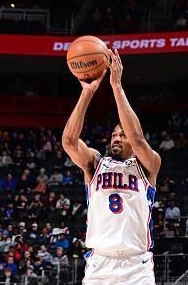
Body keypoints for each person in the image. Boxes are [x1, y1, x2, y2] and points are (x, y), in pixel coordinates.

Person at [62, 49, 161, 284]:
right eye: (114, 135)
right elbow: (69, 142)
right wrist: (88, 92)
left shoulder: (149, 164)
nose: (117, 138)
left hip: (137, 266)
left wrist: (116, 86)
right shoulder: (95, 163)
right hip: (100, 264)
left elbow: (137, 139)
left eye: (122, 135)